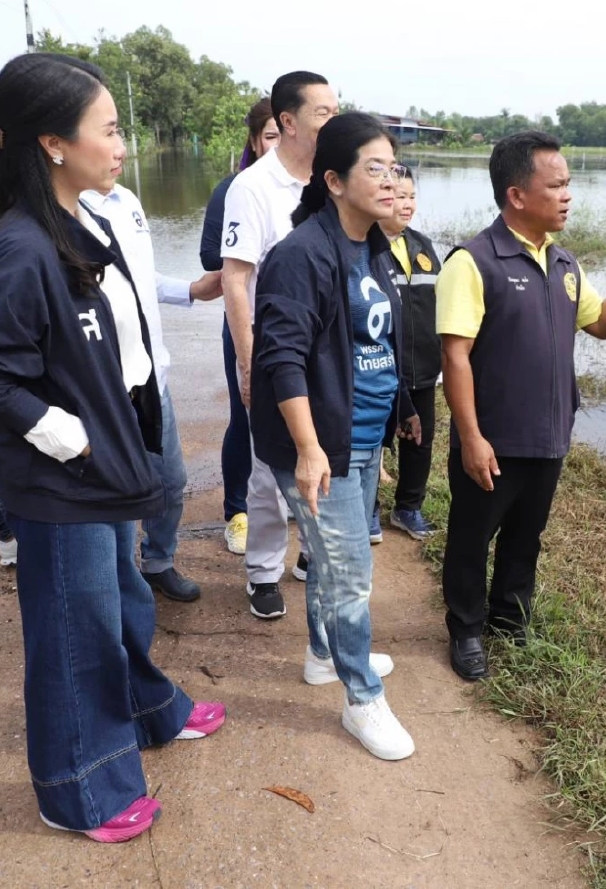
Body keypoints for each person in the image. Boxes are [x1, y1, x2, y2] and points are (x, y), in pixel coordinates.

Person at [0, 53, 223, 842]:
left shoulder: (78, 221)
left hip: (107, 462)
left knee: (122, 599)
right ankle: (76, 786)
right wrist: (68, 437)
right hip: (64, 479)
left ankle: (147, 707)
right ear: (51, 143)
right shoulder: (22, 246)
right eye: (108, 130)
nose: (122, 144)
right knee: (73, 630)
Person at [436, 131, 606, 681]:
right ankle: (467, 629)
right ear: (517, 195)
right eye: (557, 185)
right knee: (471, 538)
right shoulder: (473, 262)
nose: (568, 195)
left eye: (569, 184)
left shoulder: (565, 264)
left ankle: (510, 619)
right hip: (492, 437)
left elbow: (602, 323)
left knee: (527, 536)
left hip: (548, 433)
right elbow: (455, 358)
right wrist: (471, 436)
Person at [252, 111, 418, 760]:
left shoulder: (370, 243)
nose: (388, 179)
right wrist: (312, 448)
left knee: (332, 556)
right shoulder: (302, 255)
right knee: (350, 573)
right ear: (334, 180)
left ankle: (324, 654)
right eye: (372, 168)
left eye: (393, 167)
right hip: (319, 439)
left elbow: (372, 341)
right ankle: (361, 697)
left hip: (358, 431)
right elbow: (282, 357)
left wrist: (389, 421)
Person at [222, 72, 340, 618]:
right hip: (269, 345)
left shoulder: (333, 180)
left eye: (336, 110)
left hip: (326, 344)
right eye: (322, 112)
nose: (332, 121)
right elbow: (235, 279)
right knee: (270, 461)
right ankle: (264, 568)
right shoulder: (252, 187)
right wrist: (249, 363)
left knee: (326, 446)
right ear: (287, 122)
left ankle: (313, 557)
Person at [83, 179, 222, 603]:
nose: (118, 148)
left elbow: (140, 279)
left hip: (151, 373)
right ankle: (117, 583)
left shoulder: (127, 200)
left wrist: (191, 290)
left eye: (118, 134)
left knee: (170, 480)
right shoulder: (72, 206)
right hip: (106, 383)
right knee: (118, 493)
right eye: (106, 134)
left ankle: (158, 561)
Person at [200, 98, 280, 555]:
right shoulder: (235, 189)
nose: (276, 145)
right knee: (245, 416)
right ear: (255, 140)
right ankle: (237, 512)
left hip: (299, 324)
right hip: (246, 319)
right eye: (269, 136)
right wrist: (255, 251)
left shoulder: (310, 189)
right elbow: (212, 257)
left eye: (282, 136)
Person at [378, 172, 442, 541]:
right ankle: (368, 508)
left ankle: (408, 508)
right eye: (399, 195)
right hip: (381, 367)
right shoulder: (366, 245)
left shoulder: (423, 245)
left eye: (412, 196)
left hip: (422, 367)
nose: (407, 203)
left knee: (421, 440)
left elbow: (440, 302)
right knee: (375, 439)